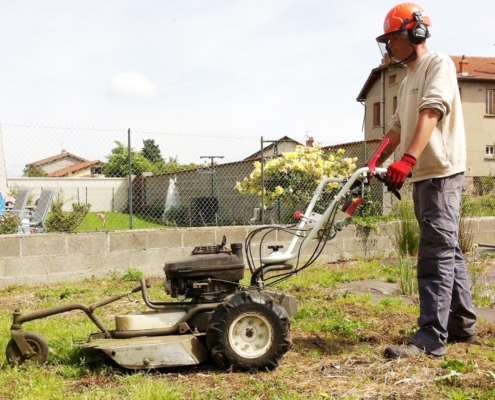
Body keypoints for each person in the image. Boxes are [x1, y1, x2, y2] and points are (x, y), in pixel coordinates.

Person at [373, 3, 476, 358]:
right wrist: (375, 161)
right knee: (446, 247)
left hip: (441, 172)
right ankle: (462, 324)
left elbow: (432, 111)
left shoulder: (438, 65)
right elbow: (397, 128)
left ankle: (431, 338)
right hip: (422, 174)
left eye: (392, 39)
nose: (389, 47)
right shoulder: (406, 79)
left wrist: (408, 159)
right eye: (385, 41)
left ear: (414, 33)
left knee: (434, 253)